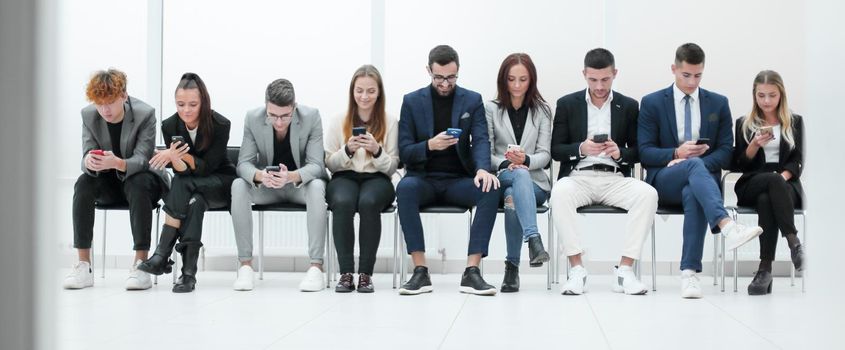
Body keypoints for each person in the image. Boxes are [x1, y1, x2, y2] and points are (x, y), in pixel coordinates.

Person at [638, 43, 763, 298]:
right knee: (692, 169)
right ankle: (727, 225)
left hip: (699, 182)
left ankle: (689, 274)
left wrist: (691, 164)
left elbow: (727, 151)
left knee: (693, 190)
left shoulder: (717, 103)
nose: (692, 82)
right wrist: (675, 155)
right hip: (664, 179)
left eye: (698, 75)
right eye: (686, 75)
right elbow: (645, 152)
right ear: (674, 69)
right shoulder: (652, 103)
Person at [550, 48, 657, 296]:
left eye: (605, 79)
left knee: (648, 194)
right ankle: (576, 269)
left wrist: (620, 153)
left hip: (614, 177)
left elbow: (639, 151)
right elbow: (556, 149)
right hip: (579, 176)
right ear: (584, 74)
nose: (599, 86)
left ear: (615, 74)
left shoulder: (629, 106)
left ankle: (625, 270)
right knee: (560, 193)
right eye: (593, 80)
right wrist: (581, 148)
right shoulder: (567, 104)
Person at [396, 45, 501, 295]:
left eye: (451, 77)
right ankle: (420, 270)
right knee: (405, 188)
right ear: (428, 71)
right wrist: (430, 145)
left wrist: (483, 170)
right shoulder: (411, 102)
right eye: (439, 77)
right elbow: (404, 151)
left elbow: (481, 140)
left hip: (458, 179)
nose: (445, 83)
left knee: (490, 188)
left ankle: (472, 271)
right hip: (423, 179)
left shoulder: (472, 100)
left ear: (458, 71)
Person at [64, 68, 166, 290]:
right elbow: (86, 154)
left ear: (123, 95)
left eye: (110, 102)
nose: (104, 109)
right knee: (83, 182)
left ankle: (141, 264)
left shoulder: (145, 114)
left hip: (142, 180)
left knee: (137, 182)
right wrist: (89, 161)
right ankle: (83, 264)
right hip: (109, 182)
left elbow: (143, 159)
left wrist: (118, 163)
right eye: (99, 103)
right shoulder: (89, 115)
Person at [137, 73, 236, 293]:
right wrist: (174, 159)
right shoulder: (170, 125)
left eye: (193, 104)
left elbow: (209, 166)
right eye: (180, 104)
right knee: (194, 202)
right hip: (192, 186)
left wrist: (180, 156)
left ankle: (162, 254)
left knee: (183, 185)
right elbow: (181, 171)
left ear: (203, 102)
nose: (186, 110)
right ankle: (188, 274)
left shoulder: (220, 124)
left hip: (221, 182)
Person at [230, 79, 328, 292]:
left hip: (298, 187)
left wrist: (291, 176)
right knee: (239, 185)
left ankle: (316, 267)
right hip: (268, 187)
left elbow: (317, 166)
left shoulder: (311, 117)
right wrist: (259, 175)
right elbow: (242, 164)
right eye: (273, 115)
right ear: (266, 107)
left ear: (294, 106)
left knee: (317, 186)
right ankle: (245, 266)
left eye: (285, 116)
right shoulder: (252, 118)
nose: (279, 122)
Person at [325, 65, 399, 293]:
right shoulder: (339, 121)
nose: (364, 96)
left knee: (368, 203)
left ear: (379, 93)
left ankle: (366, 274)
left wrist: (377, 151)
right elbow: (329, 163)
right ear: (352, 92)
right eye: (359, 91)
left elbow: (392, 167)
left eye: (370, 91)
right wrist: (347, 150)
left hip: (377, 178)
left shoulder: (390, 121)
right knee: (344, 202)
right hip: (344, 177)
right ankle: (346, 273)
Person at [732, 70, 805, 295]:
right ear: (754, 95)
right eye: (761, 95)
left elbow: (798, 159)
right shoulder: (744, 123)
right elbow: (740, 164)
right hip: (752, 181)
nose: (766, 101)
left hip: (785, 182)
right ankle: (794, 244)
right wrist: (754, 145)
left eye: (772, 95)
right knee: (767, 188)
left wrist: (781, 179)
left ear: (781, 94)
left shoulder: (795, 121)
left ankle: (764, 271)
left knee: (767, 199)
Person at [484, 53, 551, 293]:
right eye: (511, 79)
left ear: (531, 80)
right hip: (503, 176)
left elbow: (545, 154)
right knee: (515, 179)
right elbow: (486, 152)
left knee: (514, 194)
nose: (516, 85)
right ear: (503, 80)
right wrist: (505, 164)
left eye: (523, 80)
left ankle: (511, 268)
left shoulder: (542, 111)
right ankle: (533, 240)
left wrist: (527, 160)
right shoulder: (490, 109)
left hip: (535, 183)